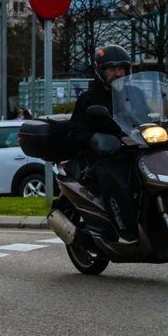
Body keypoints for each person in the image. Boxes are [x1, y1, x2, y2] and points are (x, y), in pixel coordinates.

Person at [67, 44, 138, 244]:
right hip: (101, 157)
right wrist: (94, 140)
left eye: (122, 68)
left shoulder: (133, 95)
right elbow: (75, 131)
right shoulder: (88, 99)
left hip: (134, 150)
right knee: (113, 176)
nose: (119, 73)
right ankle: (125, 229)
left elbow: (149, 115)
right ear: (100, 71)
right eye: (112, 69)